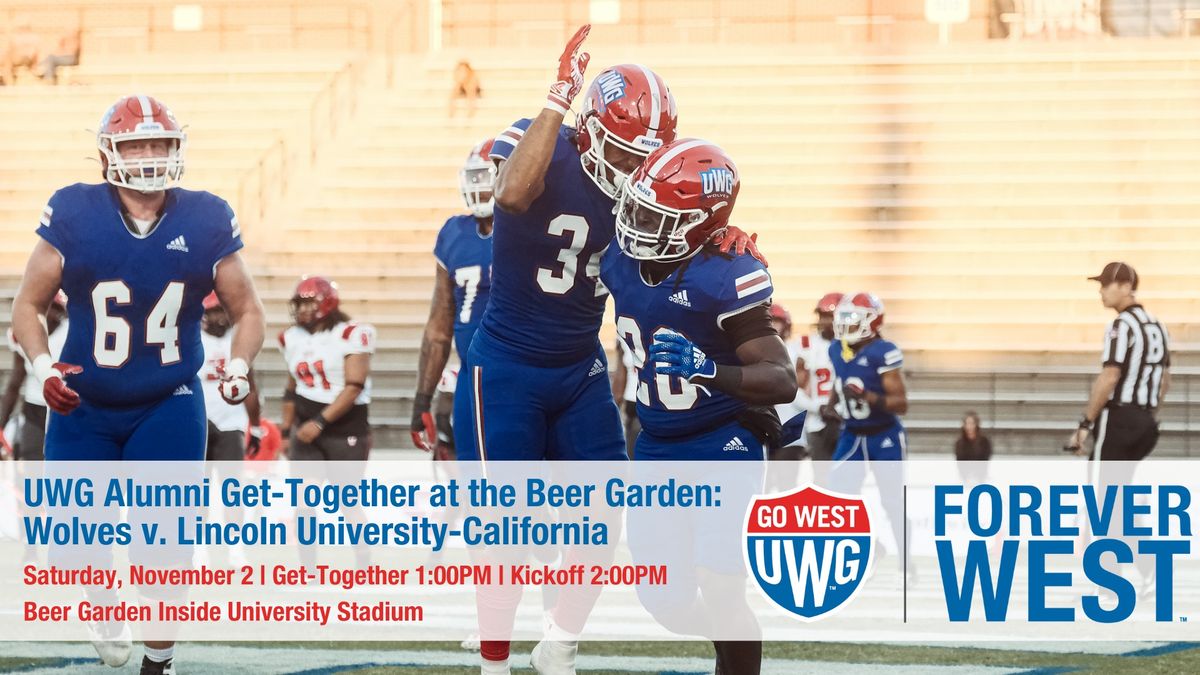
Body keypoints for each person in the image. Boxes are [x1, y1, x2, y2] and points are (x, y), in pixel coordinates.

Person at [452, 24, 762, 675]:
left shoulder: (646, 186)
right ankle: (492, 663)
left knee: (602, 515)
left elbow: (682, 239)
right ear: (587, 127)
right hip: (505, 361)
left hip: (578, 366)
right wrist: (557, 97)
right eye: (620, 152)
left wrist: (721, 232)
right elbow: (511, 193)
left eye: (641, 156)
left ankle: (559, 643)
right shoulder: (544, 144)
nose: (629, 170)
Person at [10, 94, 266, 675]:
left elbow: (248, 309)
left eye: (159, 144)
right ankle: (103, 607)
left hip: (167, 399)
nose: (149, 156)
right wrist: (44, 367)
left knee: (165, 541)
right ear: (108, 154)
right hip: (83, 400)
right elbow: (26, 305)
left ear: (177, 149)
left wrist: (242, 369)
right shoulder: (73, 209)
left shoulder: (205, 215)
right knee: (74, 544)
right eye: (135, 144)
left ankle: (161, 657)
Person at [601, 138, 797, 675]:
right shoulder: (620, 257)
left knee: (721, 585)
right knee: (662, 601)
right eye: (640, 206)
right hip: (657, 442)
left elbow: (782, 379)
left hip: (722, 439)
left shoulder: (723, 272)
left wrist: (710, 369)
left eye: (657, 214)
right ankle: (731, 644)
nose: (638, 223)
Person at [278, 276, 375, 568]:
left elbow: (354, 386)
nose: (304, 310)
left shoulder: (351, 333)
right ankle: (308, 568)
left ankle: (363, 562)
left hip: (346, 428)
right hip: (307, 428)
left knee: (348, 502)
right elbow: (292, 386)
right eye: (300, 303)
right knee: (305, 502)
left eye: (310, 302)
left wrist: (319, 422)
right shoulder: (290, 337)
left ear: (327, 303)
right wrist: (286, 430)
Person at [411, 138, 496, 456]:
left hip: (522, 373)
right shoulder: (454, 233)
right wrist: (422, 398)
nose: (480, 186)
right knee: (472, 479)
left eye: (487, 176)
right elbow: (438, 328)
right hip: (469, 377)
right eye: (475, 177)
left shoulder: (528, 228)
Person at [823, 292, 912, 581]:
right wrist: (831, 402)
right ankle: (869, 548)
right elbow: (841, 379)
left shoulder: (883, 352)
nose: (845, 324)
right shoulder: (837, 349)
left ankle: (906, 562)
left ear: (873, 322)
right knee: (837, 498)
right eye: (843, 317)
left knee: (892, 500)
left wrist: (868, 396)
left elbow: (901, 404)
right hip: (852, 433)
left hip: (883, 435)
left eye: (852, 318)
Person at [1065, 262, 1170, 462]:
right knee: (1124, 488)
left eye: (1106, 284)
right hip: (1146, 420)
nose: (1101, 291)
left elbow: (1111, 376)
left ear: (1127, 287)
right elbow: (1165, 379)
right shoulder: (1158, 325)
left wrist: (1086, 423)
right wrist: (1148, 414)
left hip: (1120, 419)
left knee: (1103, 489)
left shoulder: (1122, 324)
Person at [197, 291, 264, 568]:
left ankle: (235, 548)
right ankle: (199, 548)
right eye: (212, 312)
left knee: (232, 490)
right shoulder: (192, 340)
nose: (218, 318)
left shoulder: (238, 341)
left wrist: (257, 426)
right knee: (197, 492)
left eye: (221, 312)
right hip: (199, 421)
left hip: (231, 423)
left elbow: (251, 387)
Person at [765, 303, 807, 492]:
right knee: (761, 483)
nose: (773, 326)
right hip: (763, 422)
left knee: (786, 485)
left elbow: (802, 383)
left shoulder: (797, 349)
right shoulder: (754, 348)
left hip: (790, 421)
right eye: (770, 320)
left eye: (777, 321)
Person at [954, 411, 992, 483]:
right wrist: (966, 476)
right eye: (967, 424)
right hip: (965, 477)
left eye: (972, 423)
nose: (969, 427)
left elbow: (985, 460)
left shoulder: (984, 442)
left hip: (980, 477)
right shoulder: (959, 443)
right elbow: (960, 461)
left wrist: (979, 476)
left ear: (976, 425)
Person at [1, 21, 40, 85]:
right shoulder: (30, 37)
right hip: (22, 59)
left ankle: (9, 83)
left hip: (24, 59)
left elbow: (35, 52)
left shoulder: (31, 37)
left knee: (7, 59)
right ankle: (9, 82)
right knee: (7, 58)